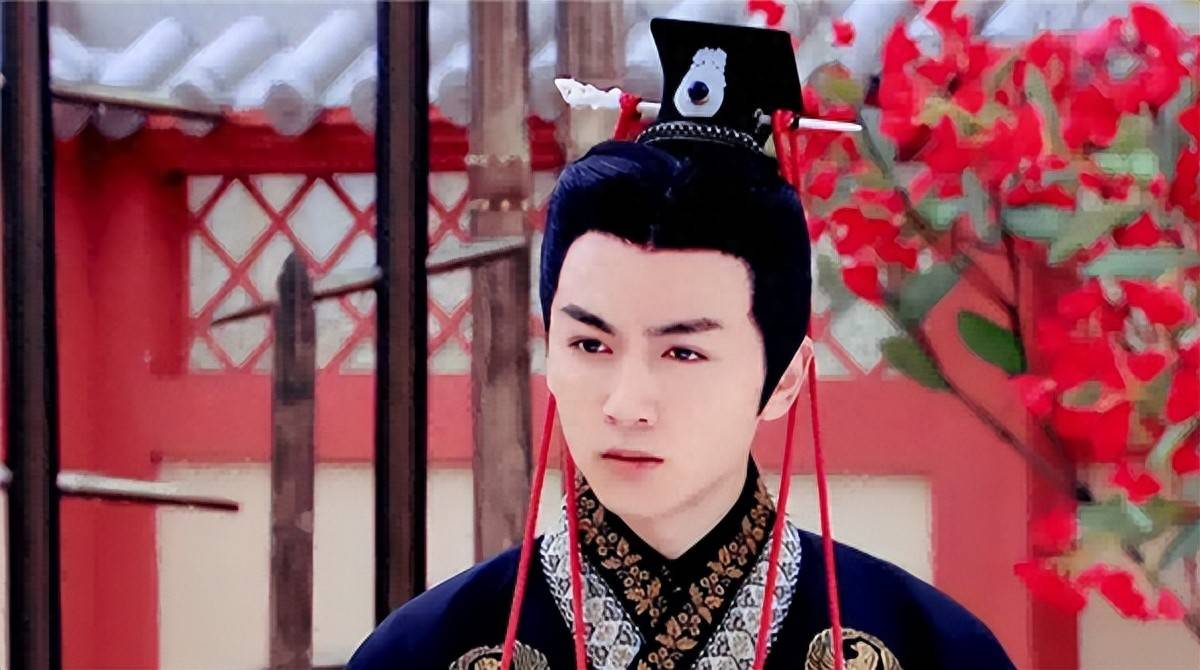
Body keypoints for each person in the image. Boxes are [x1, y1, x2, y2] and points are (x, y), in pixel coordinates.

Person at [347, 18, 1015, 670]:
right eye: (590, 345)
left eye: (683, 352)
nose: (626, 404)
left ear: (784, 378)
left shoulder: (932, 649)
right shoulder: (421, 653)